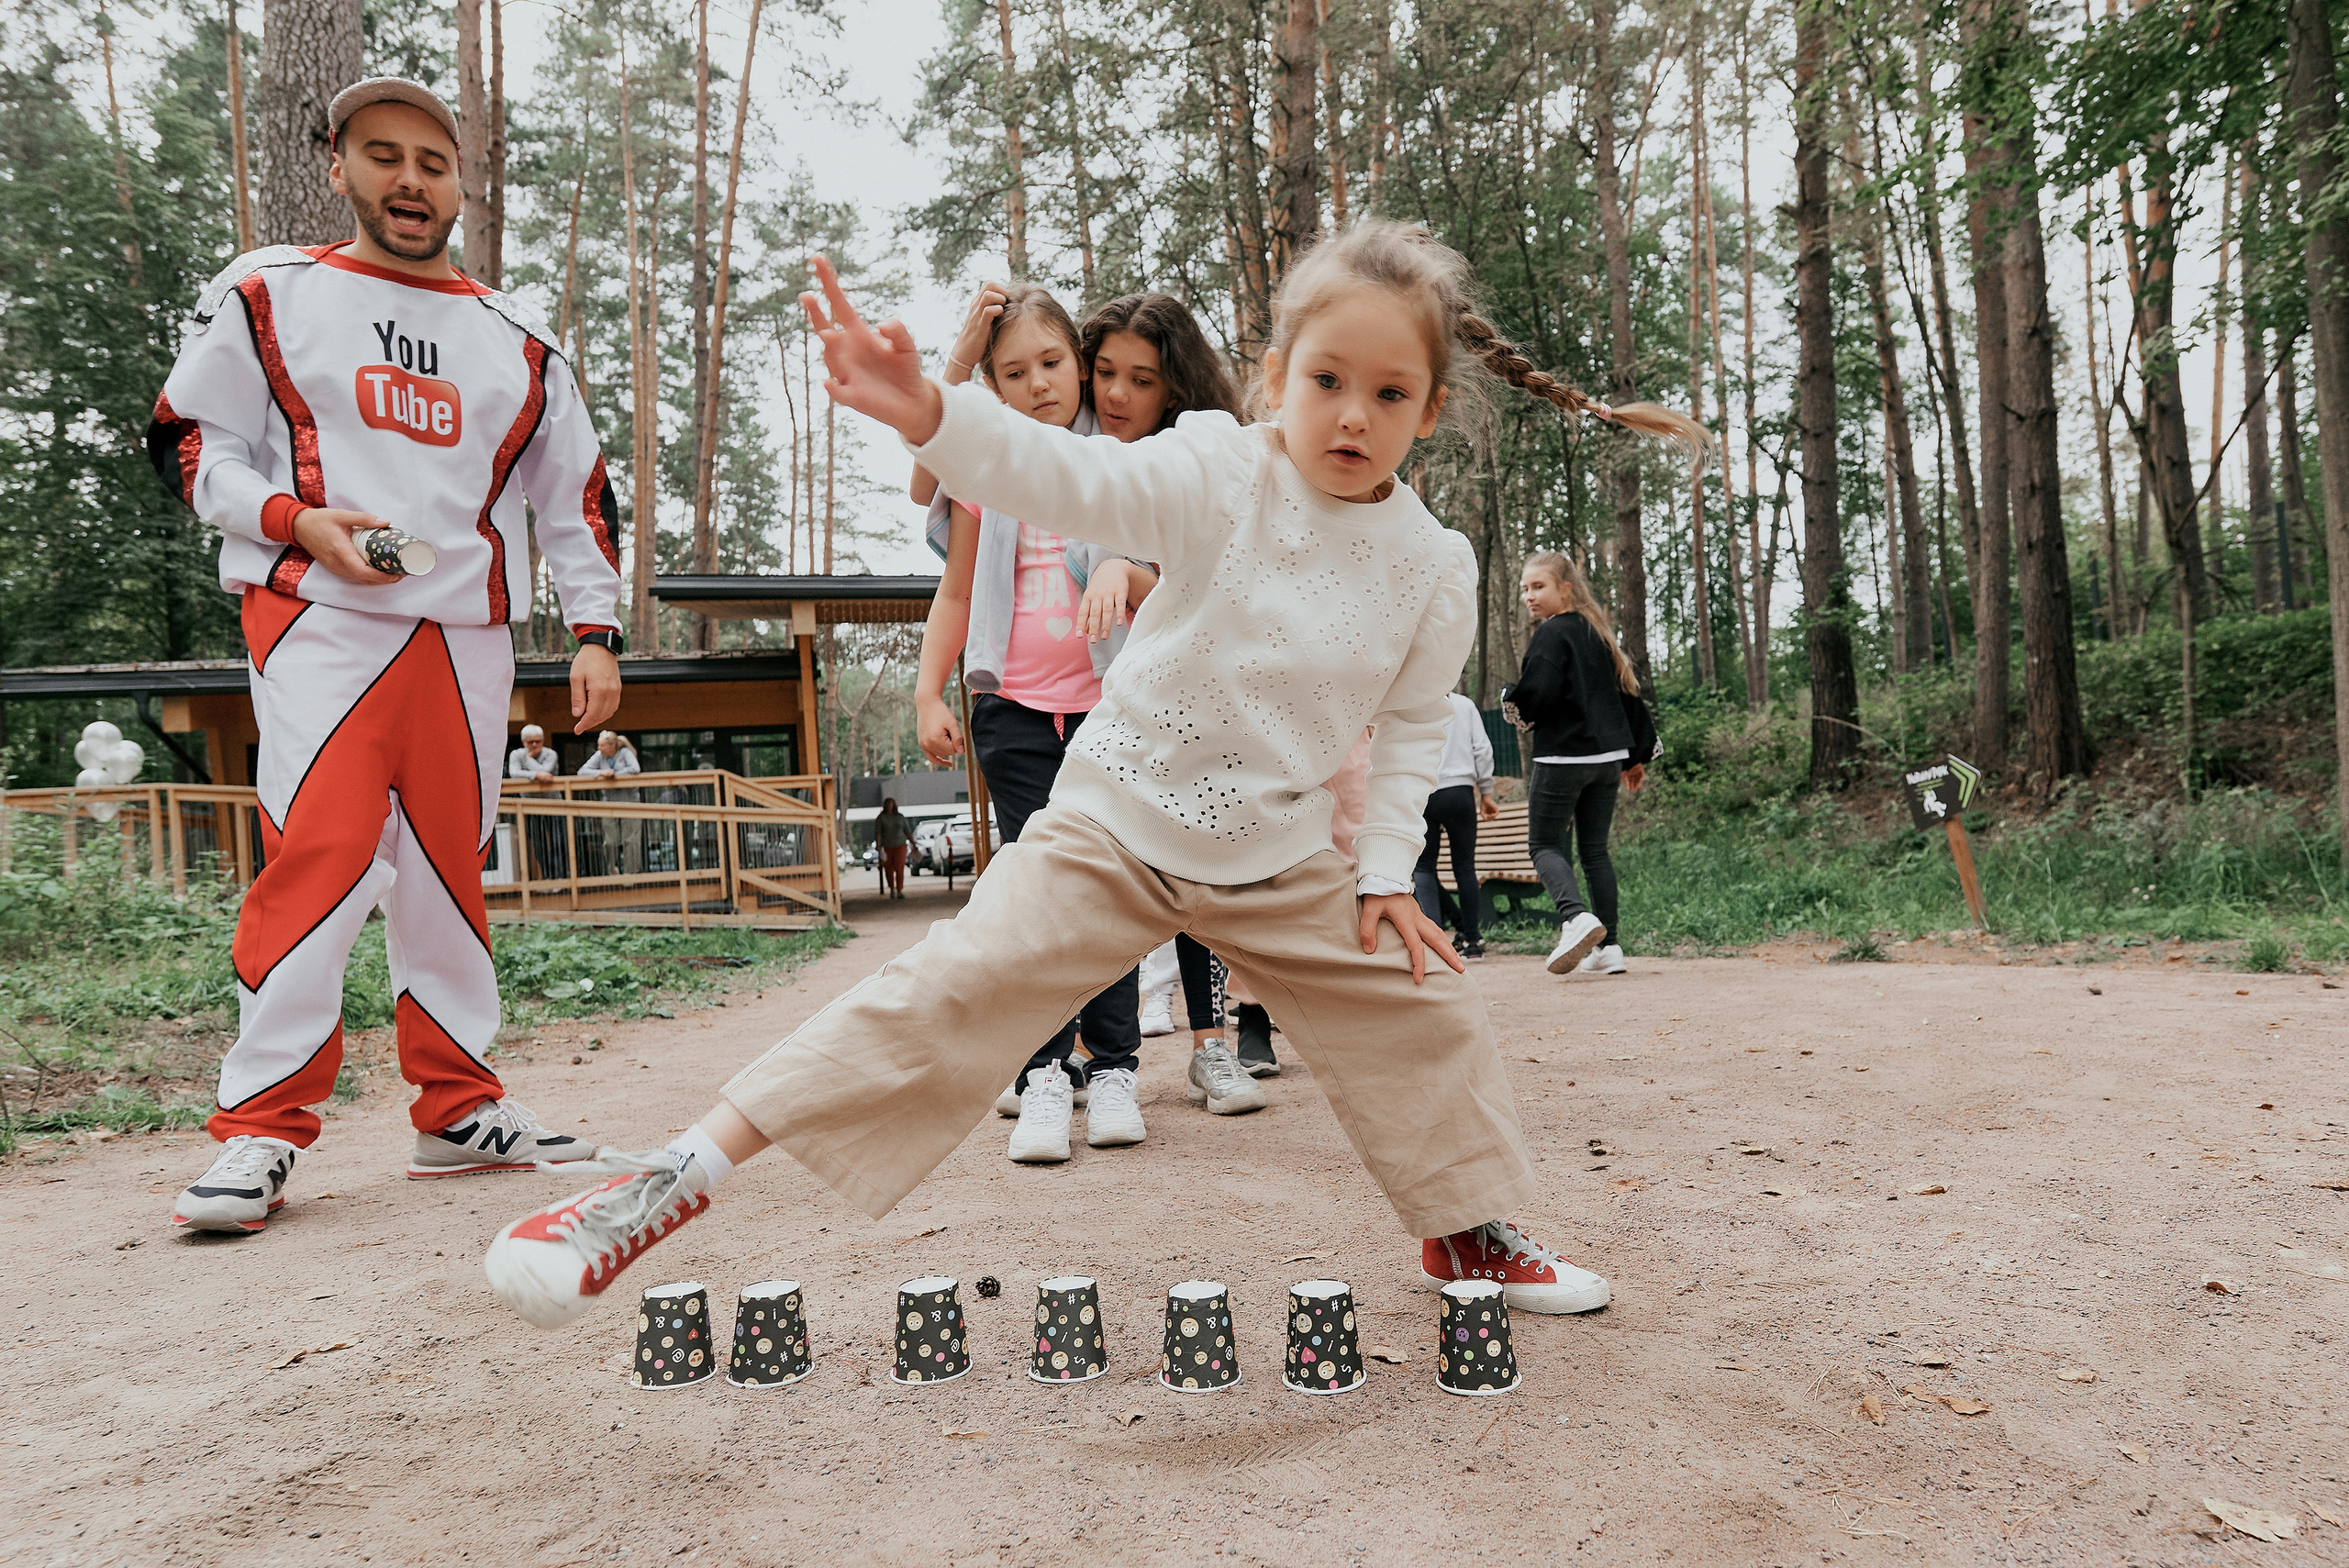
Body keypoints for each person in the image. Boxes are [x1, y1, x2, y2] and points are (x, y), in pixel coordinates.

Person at [484, 220, 1706, 1331]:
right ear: (1278, 379)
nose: (1351, 416)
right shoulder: (1217, 467)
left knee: (1423, 1005)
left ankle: (1468, 1234)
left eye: (1389, 393)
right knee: (946, 984)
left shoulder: (1435, 566)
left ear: (1429, 409)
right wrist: (930, 413)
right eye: (1326, 381)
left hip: (1276, 853)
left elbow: (1404, 729)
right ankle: (665, 1180)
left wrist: (1386, 870)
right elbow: (1068, 480)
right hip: (1115, 820)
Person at [147, 76, 627, 1231]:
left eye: (432, 161)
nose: (409, 181)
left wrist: (598, 629)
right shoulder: (271, 293)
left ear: (463, 183)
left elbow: (578, 500)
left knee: (451, 866)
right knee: (318, 854)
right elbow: (190, 440)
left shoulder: (519, 340)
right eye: (383, 156)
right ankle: (260, 1126)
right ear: (338, 166)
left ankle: (457, 1110)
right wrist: (294, 523)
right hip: (322, 618)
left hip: (469, 634)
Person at [913, 284, 1245, 1163]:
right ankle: (1045, 1073)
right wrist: (925, 692)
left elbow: (1176, 540)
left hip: (1112, 711)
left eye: (1054, 364)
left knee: (1109, 893)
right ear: (991, 382)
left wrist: (1125, 567)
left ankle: (1117, 1068)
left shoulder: (1120, 458)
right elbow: (948, 570)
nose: (1040, 384)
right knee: (1040, 897)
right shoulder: (991, 469)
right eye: (1013, 371)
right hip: (1014, 711)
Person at [1503, 551, 1656, 978]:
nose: (1529, 597)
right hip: (1607, 760)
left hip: (1563, 757)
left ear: (1565, 588)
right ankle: (1609, 949)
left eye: (1539, 587)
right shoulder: (1596, 631)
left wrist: (1508, 697)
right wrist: (1635, 757)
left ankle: (1575, 918)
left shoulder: (1553, 634)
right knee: (1594, 851)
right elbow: (1626, 694)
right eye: (1525, 589)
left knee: (1543, 846)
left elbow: (1538, 695)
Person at [1414, 692, 1498, 960]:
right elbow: (1482, 750)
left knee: (1424, 868)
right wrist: (1486, 792)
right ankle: (1472, 943)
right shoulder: (1464, 705)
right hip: (1460, 793)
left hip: (1424, 792)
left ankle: (1437, 944)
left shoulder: (1416, 702)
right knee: (1464, 866)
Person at [507, 723, 570, 881]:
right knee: (539, 844)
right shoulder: (515, 754)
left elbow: (546, 772)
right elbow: (514, 774)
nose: (535, 745)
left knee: (558, 842)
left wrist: (529, 762)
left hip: (554, 805)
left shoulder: (550, 754)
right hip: (530, 806)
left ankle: (560, 877)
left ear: (542, 740)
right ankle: (548, 877)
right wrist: (536, 775)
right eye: (530, 742)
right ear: (523, 743)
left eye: (538, 741)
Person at [578, 729, 641, 877]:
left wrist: (615, 776)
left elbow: (635, 769)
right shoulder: (600, 755)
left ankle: (630, 874)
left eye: (602, 745)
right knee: (610, 841)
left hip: (629, 802)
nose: (599, 748)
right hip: (609, 803)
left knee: (630, 840)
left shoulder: (625, 753)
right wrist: (601, 773)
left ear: (612, 746)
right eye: (598, 745)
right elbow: (582, 771)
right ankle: (611, 868)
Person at [873, 796, 912, 898]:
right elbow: (878, 832)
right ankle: (891, 888)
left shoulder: (900, 817)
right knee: (888, 869)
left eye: (891, 804)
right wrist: (878, 844)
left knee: (899, 868)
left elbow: (907, 831)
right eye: (888, 804)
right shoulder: (881, 818)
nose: (890, 806)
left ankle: (899, 889)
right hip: (887, 847)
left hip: (900, 845)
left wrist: (913, 843)